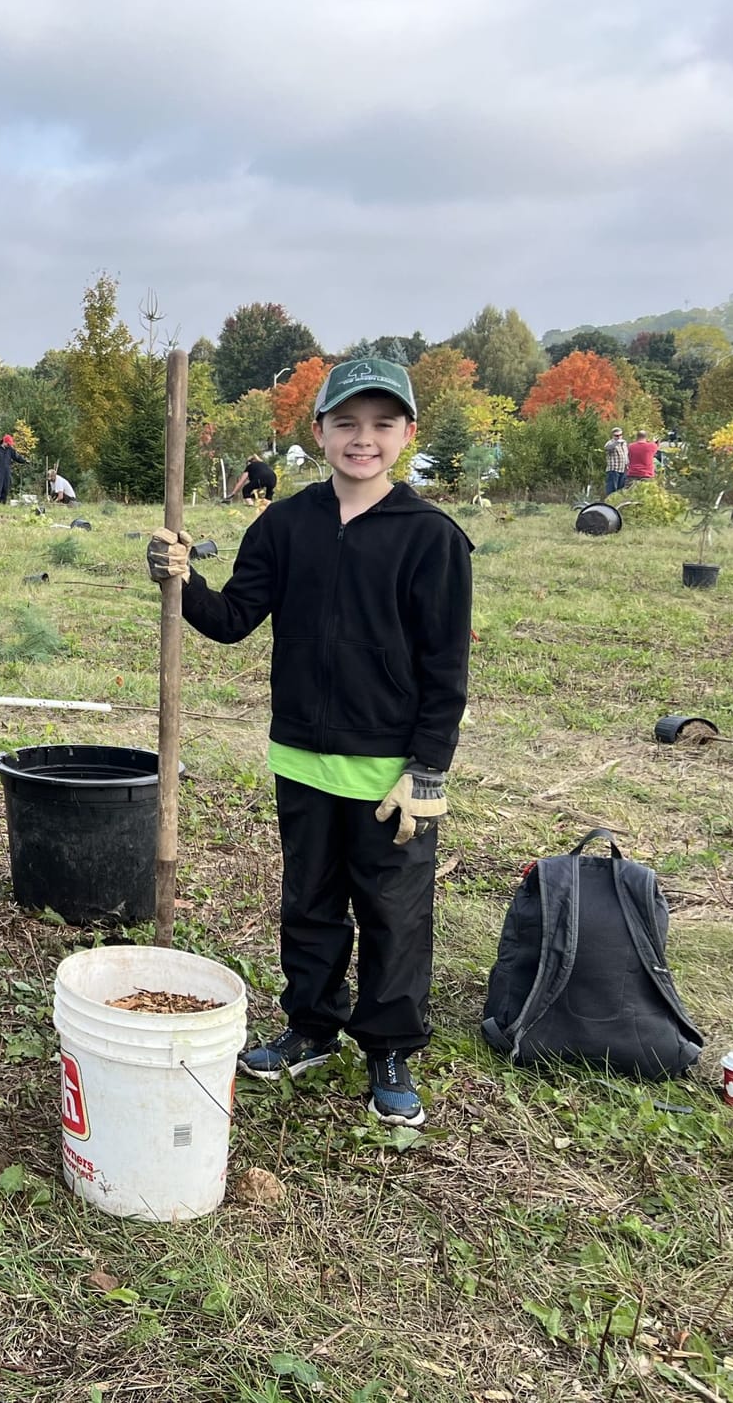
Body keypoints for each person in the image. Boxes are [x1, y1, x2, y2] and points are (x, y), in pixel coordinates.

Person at [148, 357, 471, 1128]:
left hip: (390, 773)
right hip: (302, 759)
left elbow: (446, 666)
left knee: (394, 914)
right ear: (319, 430)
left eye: (382, 424)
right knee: (311, 901)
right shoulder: (283, 526)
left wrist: (426, 770)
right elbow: (230, 620)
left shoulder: (431, 538)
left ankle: (388, 1047)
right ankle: (311, 1027)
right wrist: (181, 579)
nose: (364, 439)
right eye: (347, 423)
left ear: (407, 435)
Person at [0, 434, 27, 504]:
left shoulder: (10, 450)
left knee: (5, 489)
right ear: (4, 442)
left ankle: (2, 504)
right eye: (8, 444)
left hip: (7, 472)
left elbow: (17, 457)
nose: (9, 445)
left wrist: (24, 461)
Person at [604, 429, 629, 496]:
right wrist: (617, 442)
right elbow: (607, 447)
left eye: (620, 435)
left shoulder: (624, 443)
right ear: (613, 436)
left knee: (621, 489)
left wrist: (627, 464)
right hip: (614, 469)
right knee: (611, 489)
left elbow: (626, 454)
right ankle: (609, 502)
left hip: (623, 469)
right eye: (616, 436)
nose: (619, 437)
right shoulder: (610, 443)